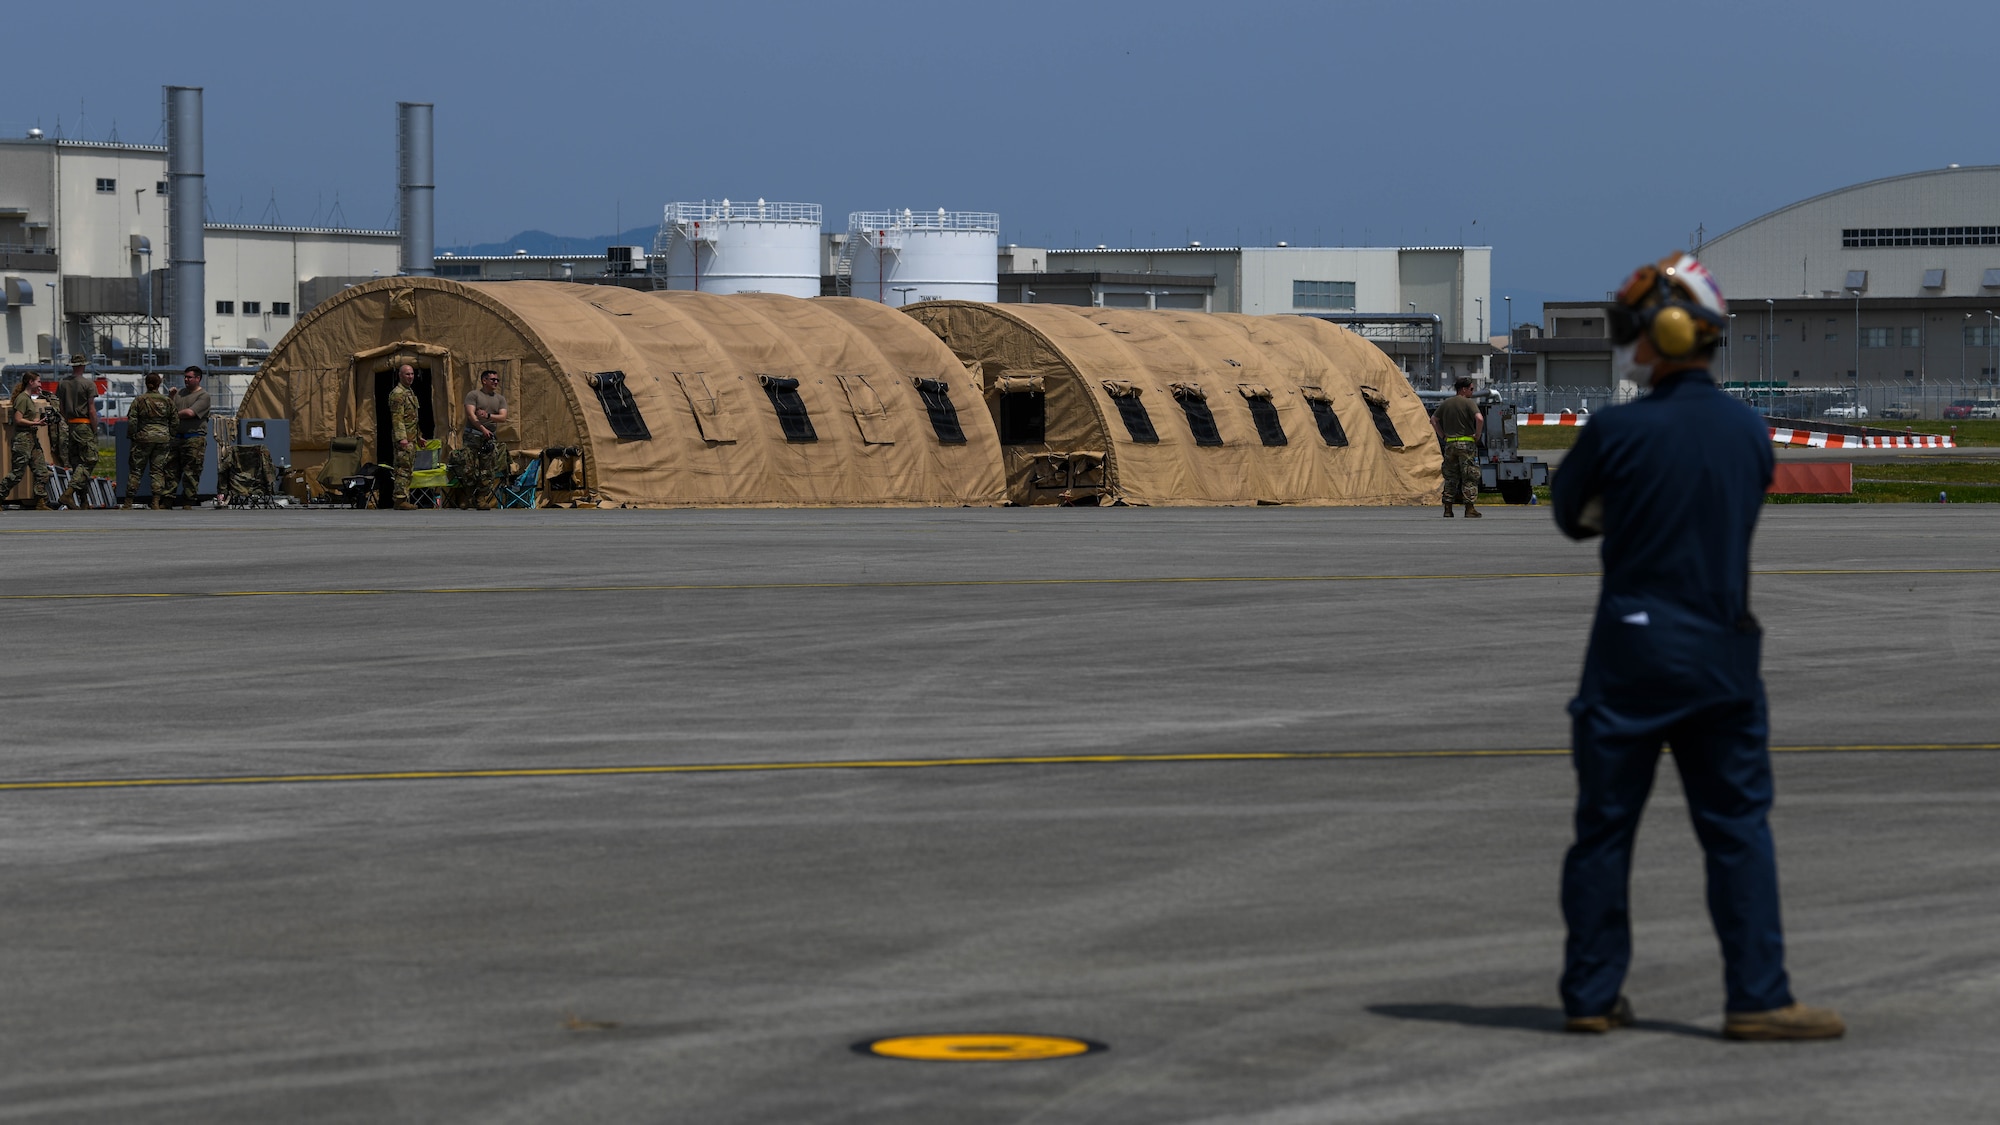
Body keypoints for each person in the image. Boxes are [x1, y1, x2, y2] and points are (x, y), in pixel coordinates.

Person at [1550, 253, 1843, 1042]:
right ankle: (1757, 994)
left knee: (1604, 829)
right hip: (1719, 654)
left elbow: (1571, 515)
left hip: (1627, 655)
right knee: (1738, 827)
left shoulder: (1614, 428)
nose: (1631, 346)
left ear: (1670, 331)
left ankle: (1590, 994)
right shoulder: (1747, 430)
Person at [1431, 376, 1484, 518]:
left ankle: (1448, 509)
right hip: (1466, 444)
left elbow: (1433, 420)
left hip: (1450, 444)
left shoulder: (1446, 403)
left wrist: (1442, 436)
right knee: (1469, 476)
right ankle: (1469, 508)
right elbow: (1479, 418)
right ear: (1464, 389)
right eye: (1471, 389)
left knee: (1450, 477)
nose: (1472, 392)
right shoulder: (1468, 403)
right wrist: (1477, 435)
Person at [2, 372, 56, 509]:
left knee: (42, 471)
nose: (40, 384)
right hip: (23, 440)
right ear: (30, 382)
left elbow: (26, 418)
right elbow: (18, 419)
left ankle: (41, 501)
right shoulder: (22, 399)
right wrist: (35, 424)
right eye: (38, 381)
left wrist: (37, 421)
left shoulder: (28, 399)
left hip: (32, 439)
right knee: (17, 473)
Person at [54, 357, 100, 509]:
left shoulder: (62, 383)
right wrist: (95, 428)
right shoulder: (88, 384)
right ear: (83, 366)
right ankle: (68, 493)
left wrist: (68, 420)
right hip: (84, 424)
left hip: (71, 425)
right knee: (89, 460)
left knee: (77, 464)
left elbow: (60, 408)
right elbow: (92, 410)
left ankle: (83, 501)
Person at [125, 372, 176, 509]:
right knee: (157, 470)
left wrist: (132, 435)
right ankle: (156, 501)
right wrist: (169, 435)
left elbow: (132, 421)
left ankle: (128, 501)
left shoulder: (139, 400)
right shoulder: (167, 401)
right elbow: (175, 421)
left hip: (143, 438)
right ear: (159, 384)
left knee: (136, 470)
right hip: (162, 439)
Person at [461, 368, 509, 510]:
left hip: (489, 438)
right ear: (484, 380)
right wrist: (483, 429)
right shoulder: (474, 395)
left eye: (497, 380)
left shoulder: (500, 399)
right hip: (473, 435)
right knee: (469, 467)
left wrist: (488, 416)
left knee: (487, 470)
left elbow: (503, 417)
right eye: (493, 379)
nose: (495, 382)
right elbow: (471, 415)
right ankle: (467, 497)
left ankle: (480, 498)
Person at [165, 365, 211, 509]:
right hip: (177, 437)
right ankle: (167, 500)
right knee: (171, 470)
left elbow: (190, 413)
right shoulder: (179, 394)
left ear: (198, 379)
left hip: (194, 438)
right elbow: (168, 408)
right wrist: (171, 397)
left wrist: (174, 414)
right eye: (185, 377)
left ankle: (188, 501)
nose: (186, 379)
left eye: (189, 377)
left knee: (191, 471)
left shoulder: (203, 396)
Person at [387, 364, 422, 511]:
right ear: (400, 375)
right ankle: (400, 499)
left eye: (412, 374)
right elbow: (397, 418)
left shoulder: (409, 392)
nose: (411, 377)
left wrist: (419, 436)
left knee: (408, 468)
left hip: (412, 438)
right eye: (407, 374)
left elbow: (412, 418)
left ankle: (403, 498)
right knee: (402, 469)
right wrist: (402, 438)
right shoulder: (398, 393)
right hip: (404, 439)